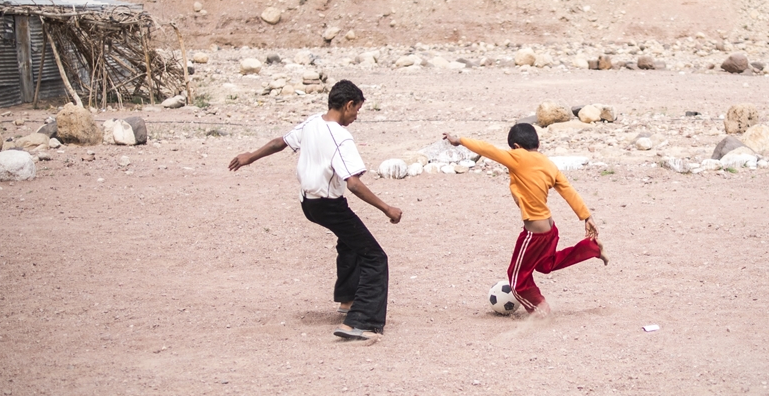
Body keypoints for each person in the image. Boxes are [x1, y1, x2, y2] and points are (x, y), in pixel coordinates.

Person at [229, 79, 401, 340]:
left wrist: (250, 156)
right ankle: (361, 321)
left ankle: (347, 299)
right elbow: (353, 183)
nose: (356, 116)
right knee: (375, 257)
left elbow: (280, 142)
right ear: (348, 104)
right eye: (357, 110)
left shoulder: (312, 123)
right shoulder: (341, 137)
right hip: (328, 205)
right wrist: (386, 208)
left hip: (308, 203)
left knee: (350, 241)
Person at [443, 124, 608, 316]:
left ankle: (539, 308)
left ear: (516, 146)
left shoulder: (518, 157)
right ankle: (591, 248)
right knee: (545, 265)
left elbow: (488, 149)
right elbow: (568, 190)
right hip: (550, 229)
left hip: (534, 233)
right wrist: (586, 216)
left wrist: (460, 140)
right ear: (536, 143)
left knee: (515, 278)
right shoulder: (548, 164)